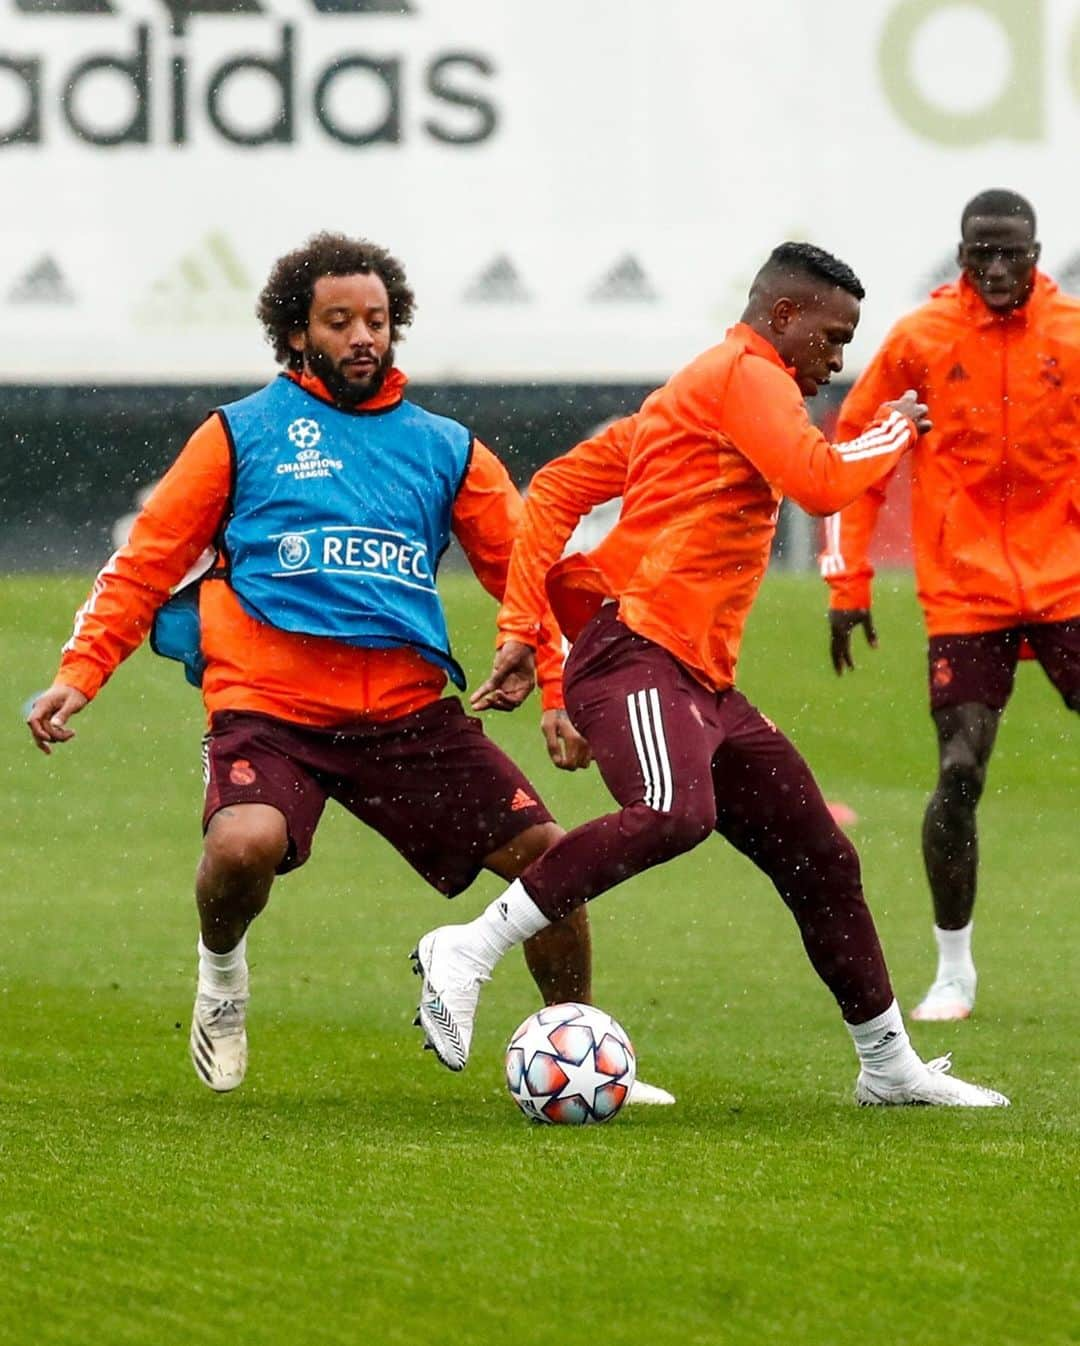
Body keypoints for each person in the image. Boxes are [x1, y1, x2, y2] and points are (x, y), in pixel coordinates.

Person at [26, 231, 672, 1104]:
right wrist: (79, 672)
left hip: (407, 717)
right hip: (272, 709)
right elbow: (145, 564)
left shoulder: (444, 447)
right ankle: (222, 976)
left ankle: (582, 1046)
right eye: (339, 321)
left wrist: (559, 687)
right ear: (298, 335)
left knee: (552, 860)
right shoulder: (240, 434)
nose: (363, 336)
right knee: (242, 846)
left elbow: (530, 572)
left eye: (376, 319)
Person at [408, 241, 1009, 1107]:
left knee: (821, 858)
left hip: (695, 681)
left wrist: (521, 627)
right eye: (834, 338)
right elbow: (820, 483)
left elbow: (554, 491)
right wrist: (896, 427)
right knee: (672, 813)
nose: (837, 362)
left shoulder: (690, 396)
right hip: (639, 655)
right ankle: (466, 948)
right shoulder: (746, 374)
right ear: (785, 317)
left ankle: (888, 1066)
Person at [821, 189, 1080, 1022]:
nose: (998, 269)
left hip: (1068, 579)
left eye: (1013, 254)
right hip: (966, 589)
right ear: (961, 253)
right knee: (960, 772)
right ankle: (953, 970)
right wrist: (846, 581)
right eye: (982, 254)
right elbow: (854, 455)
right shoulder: (922, 339)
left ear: (1038, 252)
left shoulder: (1071, 337)